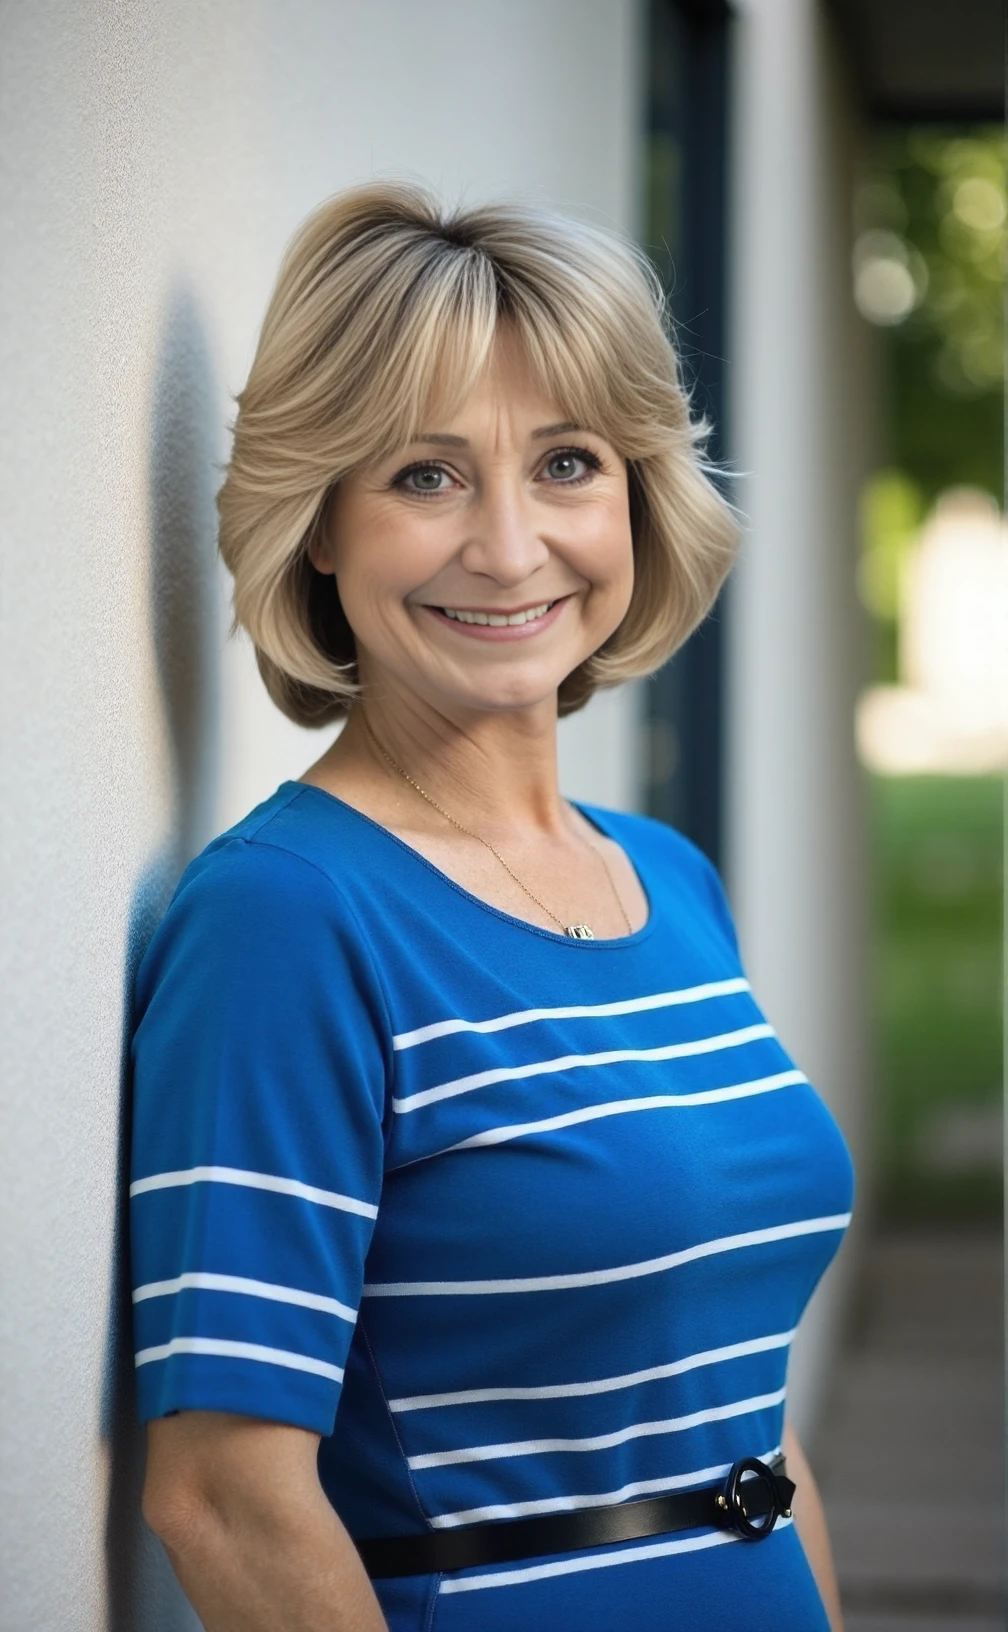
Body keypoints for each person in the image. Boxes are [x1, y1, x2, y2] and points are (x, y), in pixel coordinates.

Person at [130, 183, 854, 1632]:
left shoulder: (667, 878)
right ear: (319, 526)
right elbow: (221, 1496)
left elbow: (749, 1423)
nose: (513, 547)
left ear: (641, 497)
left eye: (570, 463)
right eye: (425, 476)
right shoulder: (289, 921)